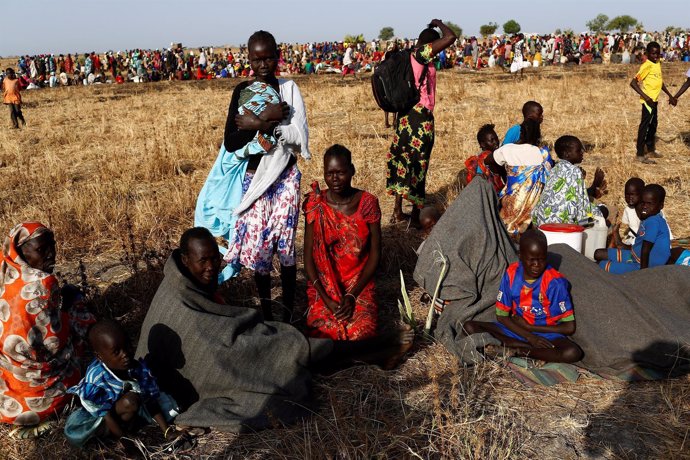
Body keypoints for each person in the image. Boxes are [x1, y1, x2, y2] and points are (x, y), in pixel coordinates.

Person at [135, 228, 413, 432]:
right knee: (276, 350)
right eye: (202, 261)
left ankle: (366, 351)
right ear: (185, 259)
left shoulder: (186, 279)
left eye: (214, 259)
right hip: (192, 374)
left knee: (278, 346)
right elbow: (200, 337)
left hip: (218, 345)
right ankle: (368, 352)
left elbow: (215, 322)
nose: (211, 268)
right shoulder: (175, 292)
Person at [196, 31, 310, 322]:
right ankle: (268, 313)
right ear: (248, 58)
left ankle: (286, 315)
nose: (263, 64)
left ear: (277, 55)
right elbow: (232, 141)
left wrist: (259, 122)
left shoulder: (289, 89)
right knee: (259, 250)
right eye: (257, 59)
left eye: (269, 57)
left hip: (284, 177)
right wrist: (263, 121)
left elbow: (299, 139)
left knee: (285, 248)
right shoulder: (241, 92)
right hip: (253, 178)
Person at [0, 223, 95, 436]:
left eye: (53, 246)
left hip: (7, 382)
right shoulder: (43, 283)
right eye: (42, 250)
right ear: (22, 251)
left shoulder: (3, 267)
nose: (51, 254)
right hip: (42, 393)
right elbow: (53, 345)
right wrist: (70, 310)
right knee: (79, 316)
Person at [462, 229, 583, 363]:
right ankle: (531, 349)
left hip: (547, 335)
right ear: (520, 256)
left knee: (572, 353)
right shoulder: (511, 274)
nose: (537, 265)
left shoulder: (555, 283)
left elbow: (569, 327)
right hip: (517, 331)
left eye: (541, 259)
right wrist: (529, 337)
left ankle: (520, 351)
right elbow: (501, 316)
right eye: (531, 260)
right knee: (469, 327)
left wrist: (531, 329)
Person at [303, 145, 382, 340]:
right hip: (324, 286)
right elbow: (308, 258)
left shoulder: (367, 203)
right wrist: (326, 299)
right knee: (321, 334)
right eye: (330, 174)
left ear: (352, 171)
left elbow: (375, 253)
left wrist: (353, 295)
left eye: (341, 172)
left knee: (363, 333)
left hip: (358, 283)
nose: (335, 179)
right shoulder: (316, 205)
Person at [64, 320, 180, 449]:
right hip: (96, 420)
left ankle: (125, 430)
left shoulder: (136, 368)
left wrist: (166, 431)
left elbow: (149, 399)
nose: (125, 354)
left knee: (136, 402)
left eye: (127, 346)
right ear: (100, 357)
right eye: (116, 352)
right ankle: (115, 437)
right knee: (81, 436)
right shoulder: (96, 379)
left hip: (121, 410)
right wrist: (129, 445)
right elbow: (105, 415)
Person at [387, 19, 457, 228]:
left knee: (401, 161)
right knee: (418, 164)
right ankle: (416, 216)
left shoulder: (409, 57)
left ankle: (398, 211)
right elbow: (451, 37)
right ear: (430, 44)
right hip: (420, 119)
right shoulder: (422, 54)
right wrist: (438, 23)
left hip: (405, 116)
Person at [489, 119, 553, 236]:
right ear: (538, 135)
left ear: (521, 133)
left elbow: (488, 160)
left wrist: (503, 172)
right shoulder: (543, 154)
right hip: (533, 208)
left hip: (510, 205)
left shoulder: (507, 149)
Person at [532, 135, 606, 226]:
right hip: (564, 224)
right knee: (603, 212)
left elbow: (569, 196)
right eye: (579, 150)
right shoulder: (575, 171)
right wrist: (598, 212)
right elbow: (582, 206)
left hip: (542, 221)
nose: (583, 152)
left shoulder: (554, 169)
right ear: (567, 154)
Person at [595, 184, 671, 273]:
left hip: (643, 264)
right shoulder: (649, 218)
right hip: (634, 256)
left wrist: (643, 273)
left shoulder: (653, 221)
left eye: (649, 203)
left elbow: (646, 249)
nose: (645, 206)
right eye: (643, 203)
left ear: (661, 206)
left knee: (600, 265)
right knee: (598, 253)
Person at [630, 42, 677, 164]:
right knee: (644, 127)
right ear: (647, 54)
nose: (656, 56)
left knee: (653, 125)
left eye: (658, 53)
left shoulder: (657, 64)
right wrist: (646, 98)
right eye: (653, 53)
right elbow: (633, 83)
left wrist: (670, 95)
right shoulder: (647, 66)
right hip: (648, 102)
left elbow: (660, 82)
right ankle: (640, 154)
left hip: (654, 101)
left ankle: (651, 149)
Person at [613, 177, 672, 246]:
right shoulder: (628, 210)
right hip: (633, 241)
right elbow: (624, 228)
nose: (630, 198)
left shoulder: (653, 210)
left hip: (651, 242)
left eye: (633, 194)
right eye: (627, 194)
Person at [464, 123, 504, 194]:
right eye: (491, 140)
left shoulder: (481, 157)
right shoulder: (487, 157)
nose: (496, 142)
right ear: (482, 144)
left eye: (496, 139)